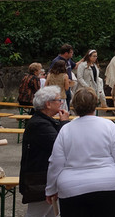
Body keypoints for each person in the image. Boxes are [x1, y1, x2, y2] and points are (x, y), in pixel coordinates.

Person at [46, 88, 115, 216]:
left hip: (72, 186)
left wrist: (51, 188)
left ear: (74, 106)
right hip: (107, 183)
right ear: (95, 104)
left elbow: (56, 162)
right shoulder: (109, 126)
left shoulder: (66, 130)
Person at [19, 86, 70, 217]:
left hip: (44, 178)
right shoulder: (39, 124)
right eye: (58, 100)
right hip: (39, 180)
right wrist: (64, 123)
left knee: (51, 213)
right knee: (37, 213)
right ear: (48, 104)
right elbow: (60, 145)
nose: (61, 102)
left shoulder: (44, 120)